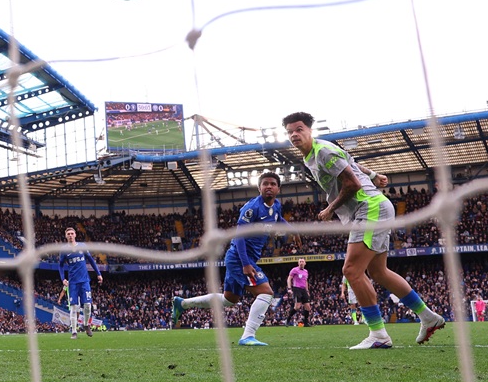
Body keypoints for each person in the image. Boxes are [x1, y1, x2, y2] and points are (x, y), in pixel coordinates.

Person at [283, 111, 445, 349]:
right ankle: (428, 316)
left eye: (299, 129)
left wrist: (330, 208)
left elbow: (352, 183)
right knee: (379, 272)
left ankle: (378, 334)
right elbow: (351, 164)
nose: (294, 135)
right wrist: (373, 174)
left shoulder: (323, 151)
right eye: (290, 132)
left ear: (309, 131)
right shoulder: (313, 155)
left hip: (369, 209)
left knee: (351, 270)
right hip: (372, 208)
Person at [171, 172, 283, 346]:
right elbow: (238, 237)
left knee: (229, 299)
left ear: (278, 188)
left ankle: (183, 304)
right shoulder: (252, 208)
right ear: (259, 188)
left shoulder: (276, 206)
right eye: (265, 184)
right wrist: (245, 263)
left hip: (244, 258)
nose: (269, 186)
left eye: (273, 184)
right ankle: (247, 336)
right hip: (240, 258)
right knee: (266, 292)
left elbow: (279, 219)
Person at [58, 226, 103, 339]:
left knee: (87, 305)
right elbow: (61, 265)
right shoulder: (64, 250)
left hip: (84, 281)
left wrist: (98, 273)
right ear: (66, 236)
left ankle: (86, 324)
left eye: (72, 233)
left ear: (75, 235)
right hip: (73, 283)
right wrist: (63, 278)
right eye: (68, 234)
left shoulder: (82, 246)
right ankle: (74, 331)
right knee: (74, 308)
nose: (70, 235)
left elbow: (91, 260)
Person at [286, 258, 312, 327]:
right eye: (300, 261)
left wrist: (307, 290)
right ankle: (288, 319)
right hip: (296, 289)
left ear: (305, 263)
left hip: (303, 290)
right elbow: (289, 278)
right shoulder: (294, 270)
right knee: (297, 307)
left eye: (302, 261)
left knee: (308, 307)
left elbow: (306, 281)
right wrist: (289, 288)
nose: (301, 263)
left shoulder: (306, 271)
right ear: (298, 263)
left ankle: (306, 323)